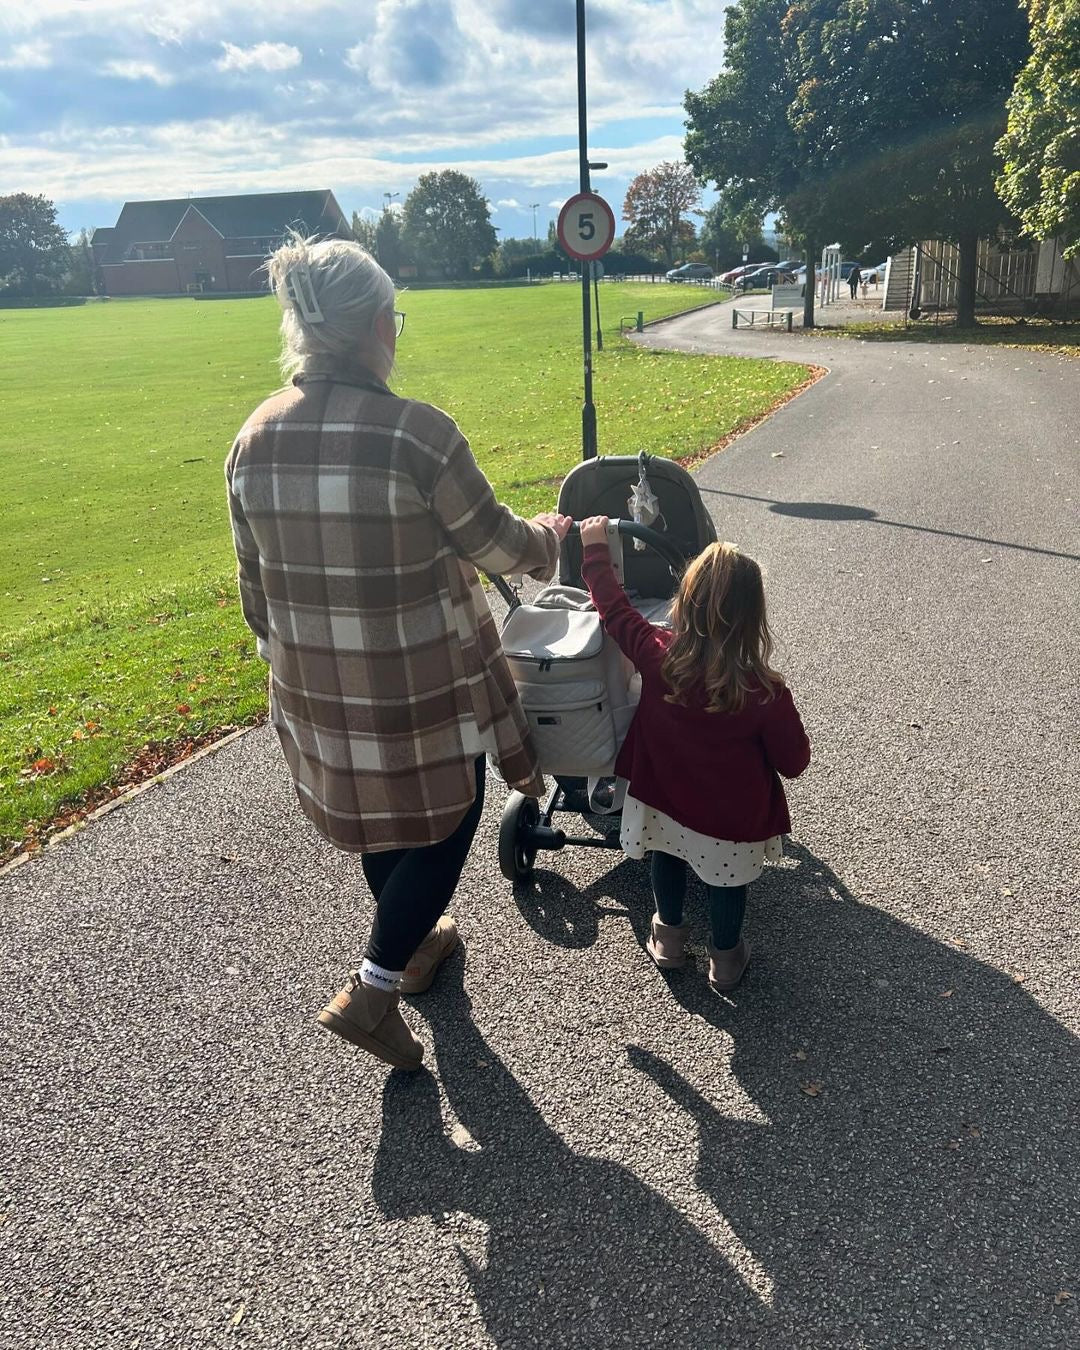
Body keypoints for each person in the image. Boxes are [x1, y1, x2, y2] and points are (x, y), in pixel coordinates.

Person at [225, 236, 571, 1070]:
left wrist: (292, 655)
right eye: (396, 320)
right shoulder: (415, 434)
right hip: (417, 678)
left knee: (382, 812)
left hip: (315, 679)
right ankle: (374, 985)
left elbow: (253, 587)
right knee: (450, 814)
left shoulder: (254, 435)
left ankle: (413, 948)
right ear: (378, 326)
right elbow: (494, 543)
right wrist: (552, 540)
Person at [577, 517, 810, 991]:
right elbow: (794, 762)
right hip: (730, 818)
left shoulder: (657, 654)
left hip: (662, 798)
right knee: (726, 884)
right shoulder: (764, 692)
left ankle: (668, 937)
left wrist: (595, 550)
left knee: (666, 855)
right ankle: (725, 959)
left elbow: (616, 611)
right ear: (752, 617)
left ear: (685, 601)